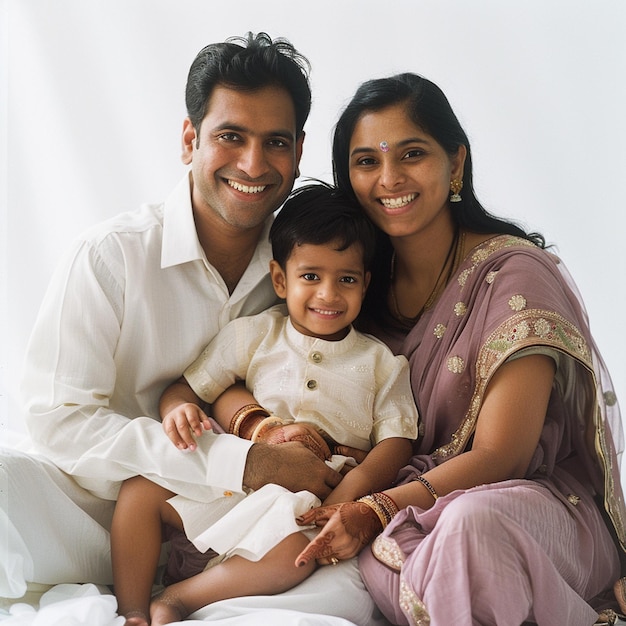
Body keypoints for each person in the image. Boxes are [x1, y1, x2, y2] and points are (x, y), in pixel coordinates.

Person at [2, 32, 387, 626]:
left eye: (275, 143)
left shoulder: (308, 272)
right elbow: (59, 424)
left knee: (339, 594)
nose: (253, 165)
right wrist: (238, 459)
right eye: (231, 136)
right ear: (190, 139)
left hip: (244, 536)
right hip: (90, 515)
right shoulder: (111, 257)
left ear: (299, 151)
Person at [280, 73, 625, 625]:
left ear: (456, 163)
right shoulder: (348, 287)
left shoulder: (513, 275)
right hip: (407, 509)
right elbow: (253, 357)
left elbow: (502, 455)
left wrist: (379, 507)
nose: (389, 178)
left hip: (529, 508)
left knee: (469, 524)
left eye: (411, 154)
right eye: (367, 161)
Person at [110, 183, 419, 625]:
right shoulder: (254, 334)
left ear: (365, 283)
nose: (328, 294)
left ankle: (180, 599)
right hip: (236, 476)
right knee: (139, 488)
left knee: (298, 550)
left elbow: (397, 441)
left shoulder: (382, 364)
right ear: (280, 279)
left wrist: (350, 495)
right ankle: (133, 608)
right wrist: (177, 409)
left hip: (306, 501)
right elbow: (187, 388)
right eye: (310, 276)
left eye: (345, 279)